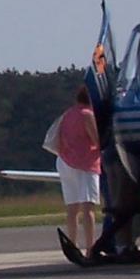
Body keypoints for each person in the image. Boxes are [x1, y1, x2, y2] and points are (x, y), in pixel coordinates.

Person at [48, 87, 103, 255]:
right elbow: (97, 140)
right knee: (88, 207)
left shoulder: (68, 114)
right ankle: (90, 247)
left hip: (65, 161)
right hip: (85, 163)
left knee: (72, 209)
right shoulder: (87, 114)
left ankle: (71, 244)